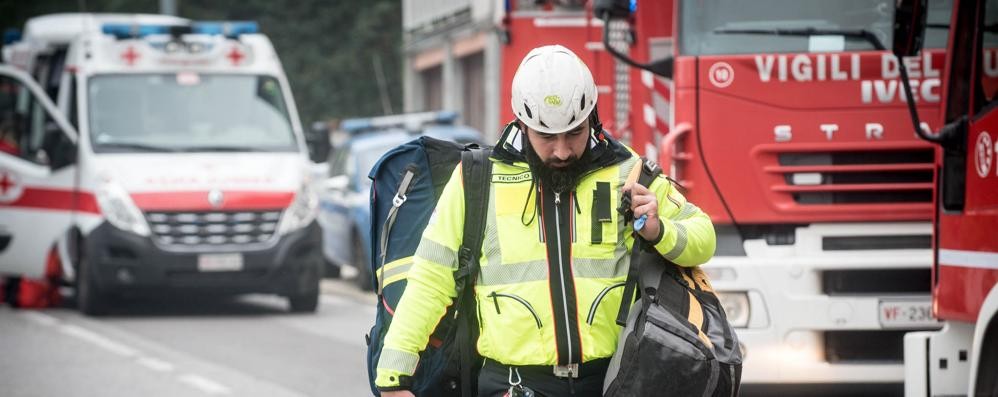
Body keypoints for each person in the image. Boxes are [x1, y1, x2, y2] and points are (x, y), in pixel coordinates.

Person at [376, 45, 716, 397]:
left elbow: (704, 238)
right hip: (513, 383)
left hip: (613, 380)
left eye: (574, 133)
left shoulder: (628, 172)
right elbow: (430, 279)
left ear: (592, 118)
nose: (562, 151)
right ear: (522, 125)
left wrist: (661, 230)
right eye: (547, 136)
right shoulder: (477, 179)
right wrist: (392, 378)